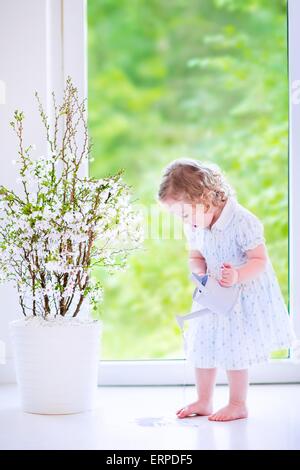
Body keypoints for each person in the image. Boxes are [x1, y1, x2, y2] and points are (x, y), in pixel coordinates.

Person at [158, 158, 297, 421]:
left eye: (185, 214)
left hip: (240, 296)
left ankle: (237, 403)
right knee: (202, 345)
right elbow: (196, 256)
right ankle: (204, 399)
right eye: (179, 216)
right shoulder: (196, 226)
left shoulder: (243, 221)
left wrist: (236, 275)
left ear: (206, 198)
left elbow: (259, 261)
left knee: (235, 349)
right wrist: (200, 274)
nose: (184, 221)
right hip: (213, 294)